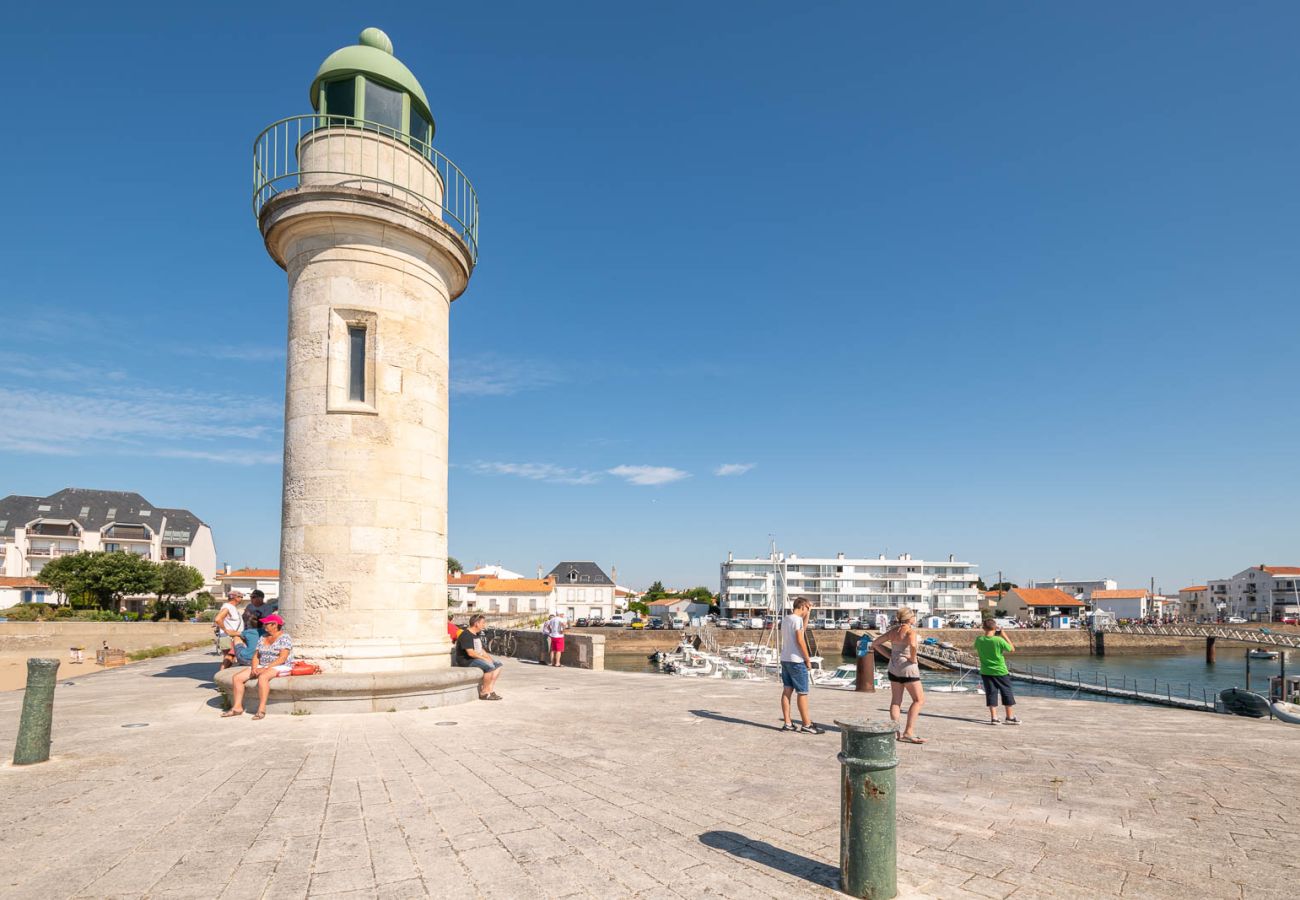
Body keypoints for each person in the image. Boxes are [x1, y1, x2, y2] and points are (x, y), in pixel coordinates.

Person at [224, 614, 294, 720]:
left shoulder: (285, 637)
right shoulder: (263, 637)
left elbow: (282, 658)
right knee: (237, 678)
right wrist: (254, 668)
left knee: (263, 677)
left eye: (266, 623)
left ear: (275, 625)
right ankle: (237, 707)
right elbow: (256, 655)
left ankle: (261, 709)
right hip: (263, 664)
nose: (263, 625)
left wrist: (265, 668)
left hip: (281, 665)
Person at [877, 607, 927, 744]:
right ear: (910, 618)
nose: (915, 618)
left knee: (896, 701)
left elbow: (875, 644)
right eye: (914, 616)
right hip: (908, 669)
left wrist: (889, 656)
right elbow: (913, 645)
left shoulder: (893, 631)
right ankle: (908, 732)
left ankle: (895, 732)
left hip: (893, 668)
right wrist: (913, 658)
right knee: (919, 700)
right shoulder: (910, 631)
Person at [779, 597, 823, 734]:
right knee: (802, 693)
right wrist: (807, 659)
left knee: (787, 691)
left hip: (785, 659)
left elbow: (802, 630)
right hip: (797, 661)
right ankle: (807, 724)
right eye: (807, 608)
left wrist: (808, 613)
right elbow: (800, 640)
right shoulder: (797, 620)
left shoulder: (786, 619)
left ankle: (787, 723)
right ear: (803, 606)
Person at [974, 619, 1020, 724]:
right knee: (1006, 692)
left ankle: (994, 718)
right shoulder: (998, 640)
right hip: (1000, 671)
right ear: (995, 628)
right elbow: (1012, 649)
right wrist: (1004, 635)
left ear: (983, 628)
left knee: (991, 693)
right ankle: (1009, 717)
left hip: (986, 671)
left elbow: (976, 647)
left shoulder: (979, 639)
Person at [454, 614, 503, 700]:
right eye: (483, 623)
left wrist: (489, 658)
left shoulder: (475, 634)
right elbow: (470, 653)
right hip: (466, 660)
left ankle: (489, 690)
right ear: (476, 623)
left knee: (498, 664)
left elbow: (481, 650)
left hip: (474, 658)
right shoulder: (466, 635)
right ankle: (484, 692)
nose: (484, 625)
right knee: (489, 667)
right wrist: (485, 659)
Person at [216, 592, 246, 669]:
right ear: (235, 598)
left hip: (230, 637)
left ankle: (221, 676)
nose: (241, 599)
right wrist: (225, 630)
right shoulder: (227, 607)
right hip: (229, 638)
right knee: (229, 658)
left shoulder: (231, 607)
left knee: (229, 658)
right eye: (240, 597)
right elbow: (218, 619)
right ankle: (220, 676)